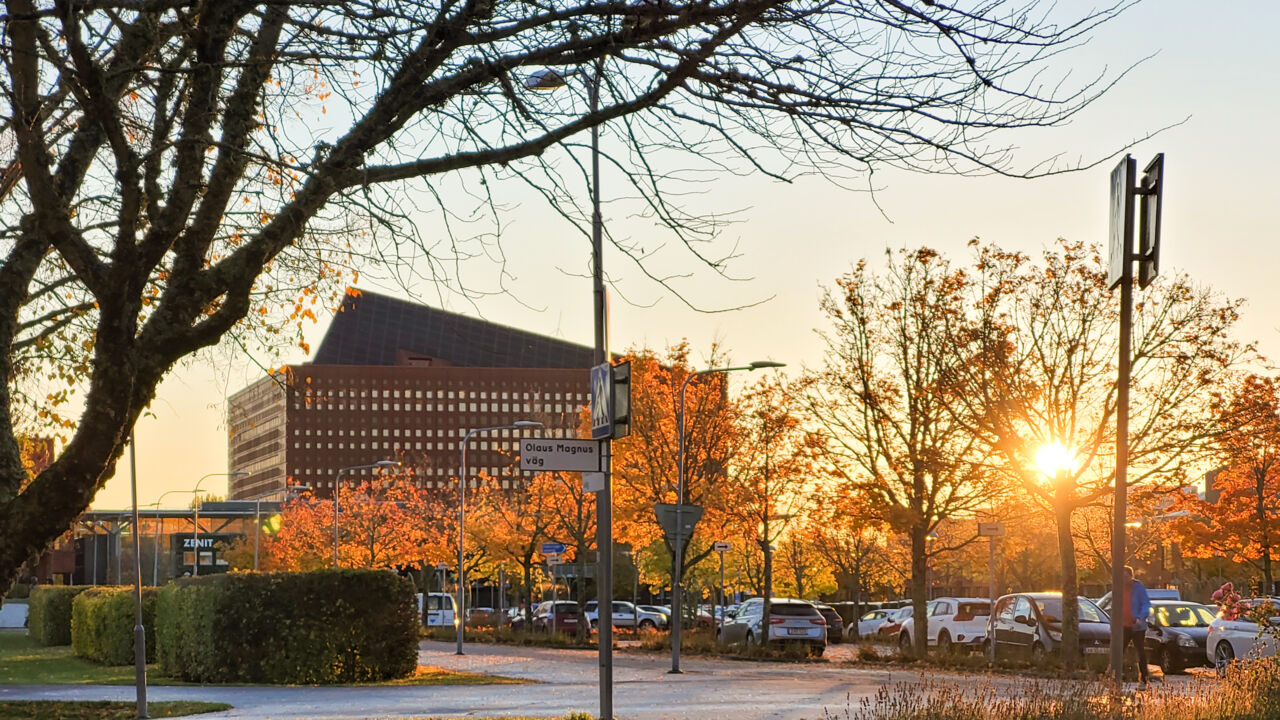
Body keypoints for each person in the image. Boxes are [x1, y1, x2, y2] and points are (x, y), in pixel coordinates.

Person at [1120, 565, 1153, 685]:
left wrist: (1140, 617)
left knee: (1140, 651)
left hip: (1137, 625)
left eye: (1126, 576)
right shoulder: (1119, 587)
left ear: (1131, 576)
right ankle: (1116, 675)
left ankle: (1144, 678)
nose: (1124, 579)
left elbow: (1146, 604)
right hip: (1123, 624)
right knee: (1119, 650)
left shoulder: (1138, 587)